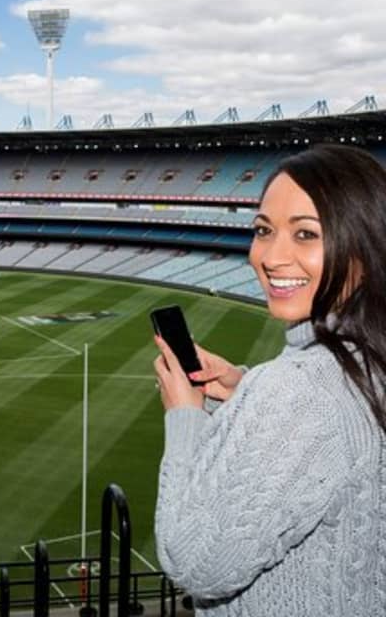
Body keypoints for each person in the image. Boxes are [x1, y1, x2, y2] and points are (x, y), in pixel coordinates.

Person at [153, 143, 386, 615]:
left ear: (363, 243)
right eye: (263, 230)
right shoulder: (367, 359)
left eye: (305, 234)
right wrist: (243, 392)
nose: (271, 256)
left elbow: (193, 562)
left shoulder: (298, 391)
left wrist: (184, 417)